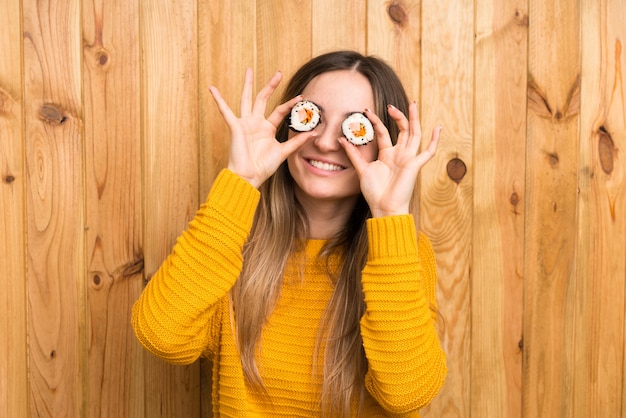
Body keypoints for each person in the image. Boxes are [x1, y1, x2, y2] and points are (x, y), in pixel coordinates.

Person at [132, 50, 447, 417]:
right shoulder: (234, 244)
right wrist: (240, 182)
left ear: (384, 144)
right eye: (311, 117)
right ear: (287, 124)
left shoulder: (401, 255)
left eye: (356, 127)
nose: (327, 142)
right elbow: (161, 336)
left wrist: (390, 214)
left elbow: (407, 395)